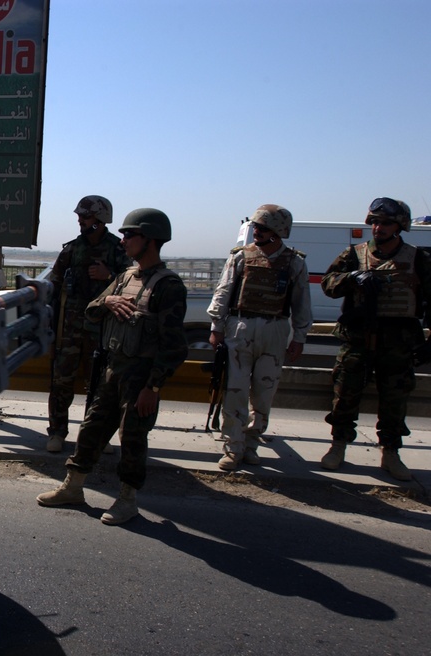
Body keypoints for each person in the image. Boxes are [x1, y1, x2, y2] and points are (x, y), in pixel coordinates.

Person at [37, 208, 188, 525]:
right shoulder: (124, 278)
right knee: (91, 429)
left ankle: (127, 500)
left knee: (132, 439)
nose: (123, 240)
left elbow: (174, 347)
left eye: (129, 234)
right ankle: (73, 488)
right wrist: (107, 301)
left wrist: (153, 387)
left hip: (141, 378)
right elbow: (92, 311)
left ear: (149, 239)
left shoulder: (168, 286)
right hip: (111, 370)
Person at [318, 197, 431, 481]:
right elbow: (328, 284)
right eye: (375, 222)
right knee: (345, 396)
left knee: (395, 401)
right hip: (358, 338)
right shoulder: (354, 254)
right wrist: (353, 278)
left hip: (398, 343)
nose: (378, 228)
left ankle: (390, 453)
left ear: (400, 226)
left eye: (385, 223)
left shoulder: (418, 258)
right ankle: (338, 446)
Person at [207, 204, 313, 470]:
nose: (256, 231)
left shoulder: (295, 262)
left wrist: (299, 337)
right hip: (241, 326)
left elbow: (302, 303)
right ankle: (233, 447)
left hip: (275, 329)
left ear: (278, 232)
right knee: (235, 391)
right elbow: (223, 292)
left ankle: (251, 443)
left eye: (263, 228)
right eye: (255, 226)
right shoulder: (241, 257)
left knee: (264, 393)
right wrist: (216, 327)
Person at [45, 195, 133, 453]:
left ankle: (94, 436)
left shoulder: (118, 251)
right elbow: (53, 285)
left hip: (103, 332)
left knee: (99, 386)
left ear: (100, 220)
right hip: (70, 330)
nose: (80, 221)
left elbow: (133, 287)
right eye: (80, 216)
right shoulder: (72, 249)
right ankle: (57, 433)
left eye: (85, 216)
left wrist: (110, 277)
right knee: (61, 382)